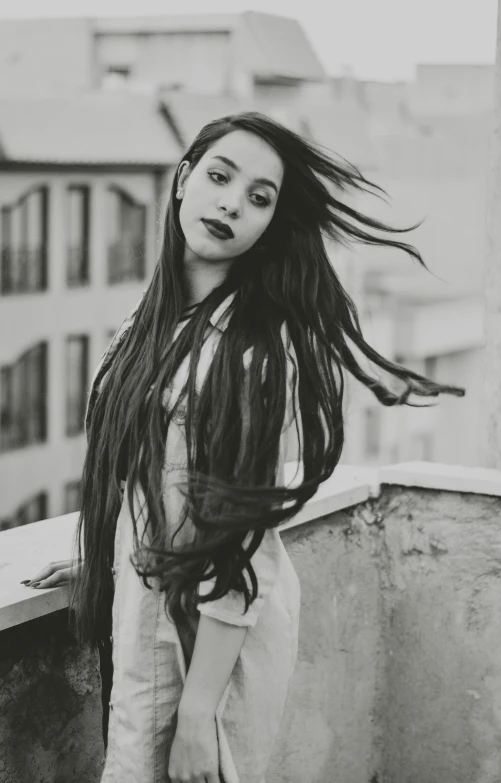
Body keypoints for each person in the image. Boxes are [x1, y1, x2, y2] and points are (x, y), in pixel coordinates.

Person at [23, 111, 465, 783]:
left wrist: (200, 714)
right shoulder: (143, 331)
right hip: (147, 624)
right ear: (182, 180)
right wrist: (104, 562)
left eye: (259, 197)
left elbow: (241, 542)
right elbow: (149, 485)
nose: (232, 202)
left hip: (211, 657)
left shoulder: (249, 353)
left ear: (268, 226)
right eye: (220, 176)